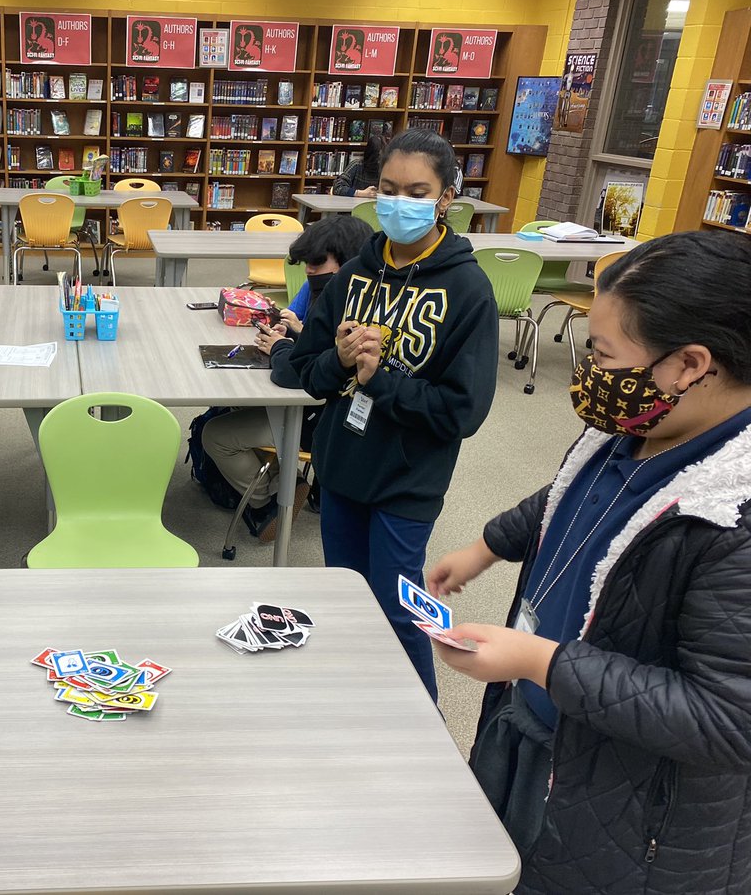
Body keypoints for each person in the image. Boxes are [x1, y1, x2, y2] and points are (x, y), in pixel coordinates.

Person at [427, 230, 751, 893]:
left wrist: (537, 661)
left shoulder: (733, 517)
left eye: (602, 354)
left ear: (689, 365)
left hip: (625, 804)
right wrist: (488, 544)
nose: (588, 374)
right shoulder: (641, 421)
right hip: (537, 719)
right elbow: (572, 496)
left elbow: (727, 719)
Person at [289, 128, 499, 700]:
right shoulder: (355, 272)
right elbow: (306, 369)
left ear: (446, 198)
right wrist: (338, 361)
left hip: (408, 480)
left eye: (416, 190)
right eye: (388, 188)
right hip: (342, 467)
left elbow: (463, 411)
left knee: (401, 609)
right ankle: (358, 700)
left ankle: (422, 716)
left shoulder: (467, 289)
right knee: (347, 599)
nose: (399, 202)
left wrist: (378, 381)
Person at [201, 215, 372, 541]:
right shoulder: (320, 286)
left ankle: (267, 501)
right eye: (306, 261)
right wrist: (288, 330)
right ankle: (287, 482)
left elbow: (293, 373)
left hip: (318, 418)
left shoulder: (349, 306)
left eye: (317, 261)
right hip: (307, 404)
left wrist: (283, 346)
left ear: (347, 261)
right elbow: (302, 336)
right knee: (229, 406)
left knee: (215, 435)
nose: (308, 269)